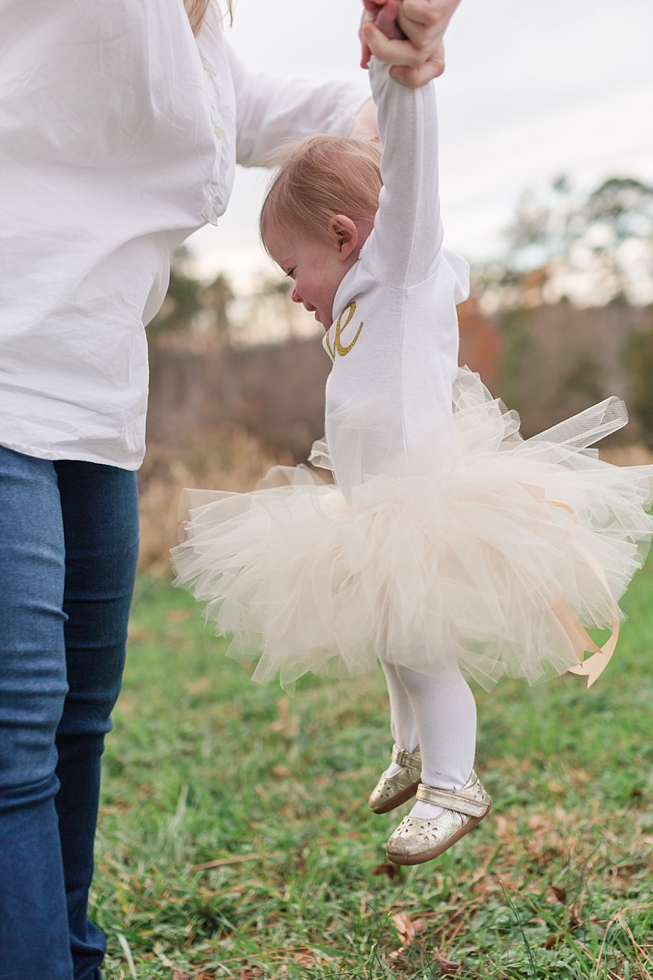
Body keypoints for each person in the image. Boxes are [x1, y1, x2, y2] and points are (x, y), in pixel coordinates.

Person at [0, 0, 460, 975]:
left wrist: (400, 63)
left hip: (95, 396)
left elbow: (345, 99)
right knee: (13, 733)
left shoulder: (209, 51)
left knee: (77, 717)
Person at [172, 2, 653, 869]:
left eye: (293, 271)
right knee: (395, 638)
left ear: (345, 236)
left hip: (427, 505)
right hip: (371, 508)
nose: (290, 293)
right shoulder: (355, 304)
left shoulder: (398, 269)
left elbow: (407, 168)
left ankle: (454, 783)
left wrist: (396, 80)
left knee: (422, 648)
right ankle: (409, 753)